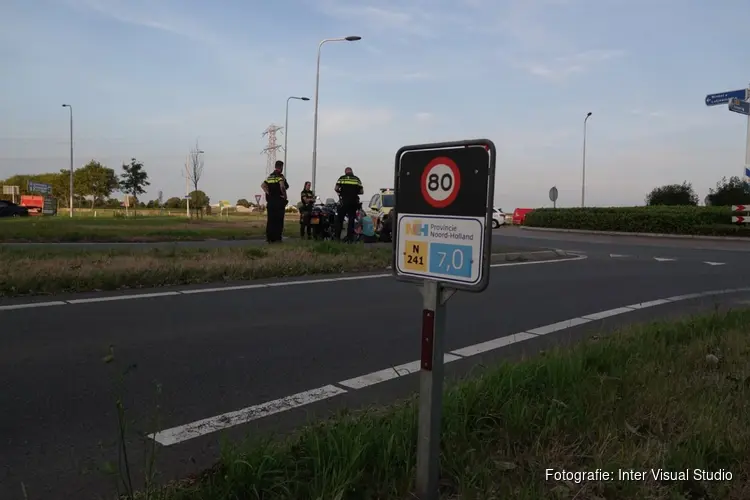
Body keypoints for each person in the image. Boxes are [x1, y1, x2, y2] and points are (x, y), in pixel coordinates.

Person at [260, 160, 289, 243]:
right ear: (281, 167)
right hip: (279, 202)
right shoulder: (280, 177)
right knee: (279, 220)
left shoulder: (270, 177)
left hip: (270, 202)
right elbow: (282, 187)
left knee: (270, 221)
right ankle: (277, 238)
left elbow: (263, 185)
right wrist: (284, 196)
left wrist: (269, 193)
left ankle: (269, 238)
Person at [334, 167, 363, 242]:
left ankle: (337, 237)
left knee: (340, 220)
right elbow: (362, 191)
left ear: (345, 172)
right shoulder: (357, 179)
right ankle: (350, 238)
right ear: (351, 171)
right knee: (351, 220)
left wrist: (342, 192)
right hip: (353, 203)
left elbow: (336, 188)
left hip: (344, 202)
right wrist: (354, 192)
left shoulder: (342, 178)